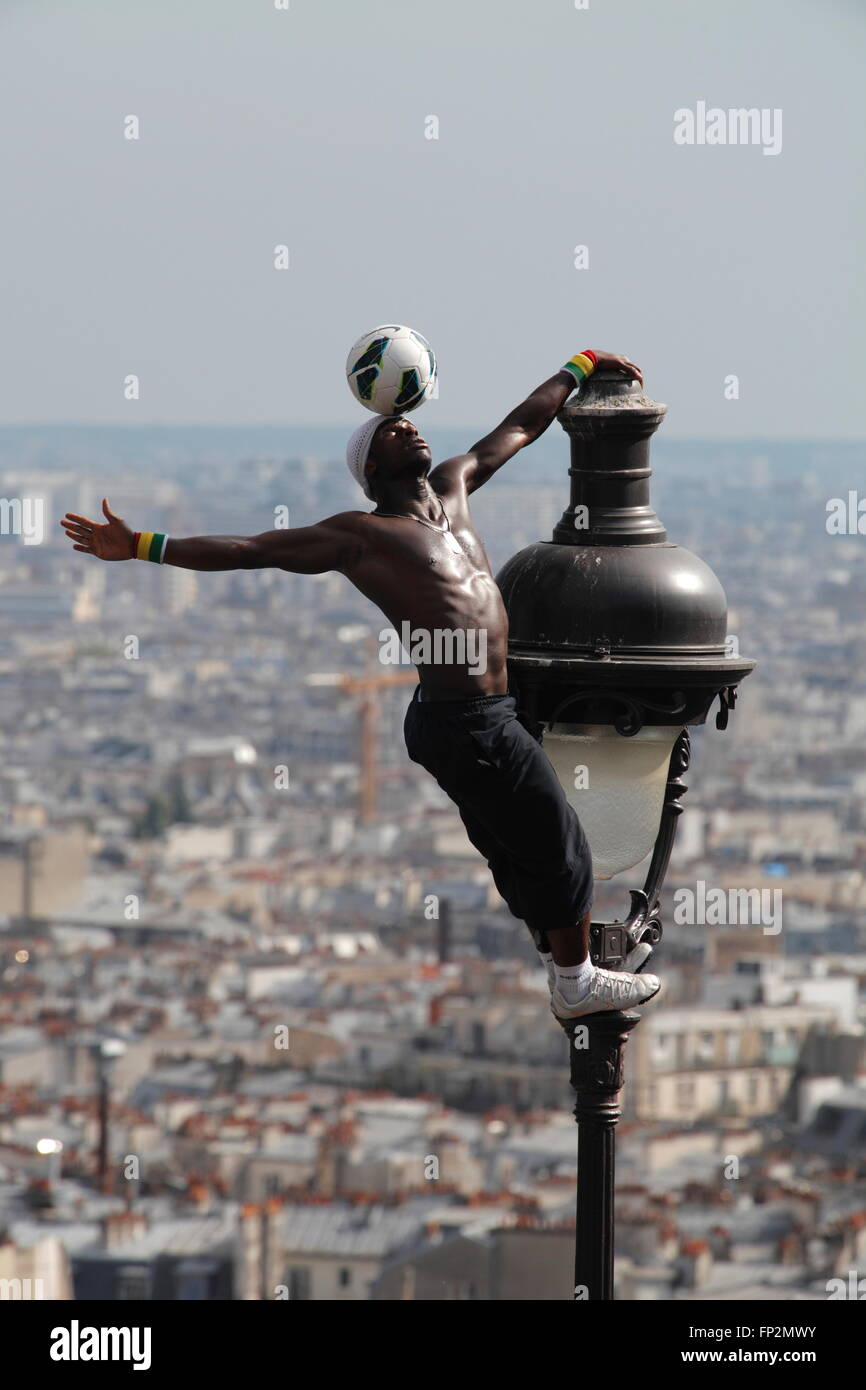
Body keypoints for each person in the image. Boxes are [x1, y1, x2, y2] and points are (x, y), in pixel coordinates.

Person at [61, 347, 661, 1022]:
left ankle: (561, 964)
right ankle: (577, 982)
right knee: (556, 838)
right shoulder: (364, 535)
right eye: (393, 432)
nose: (412, 428)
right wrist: (141, 544)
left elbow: (519, 427)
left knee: (519, 847)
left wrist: (578, 368)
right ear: (373, 469)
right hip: (468, 717)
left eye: (410, 425)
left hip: (484, 711)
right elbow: (252, 550)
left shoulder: (457, 486)